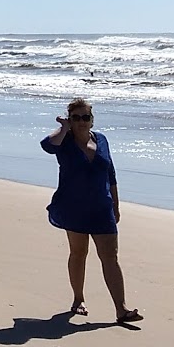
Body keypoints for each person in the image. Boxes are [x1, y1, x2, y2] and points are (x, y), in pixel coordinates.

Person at [41, 98, 142, 324]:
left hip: (101, 207)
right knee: (79, 254)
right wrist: (63, 127)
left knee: (110, 257)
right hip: (74, 206)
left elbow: (111, 174)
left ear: (92, 120)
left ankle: (121, 309)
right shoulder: (63, 142)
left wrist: (116, 204)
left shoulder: (102, 140)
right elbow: (47, 145)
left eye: (85, 117)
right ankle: (78, 300)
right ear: (70, 120)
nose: (81, 122)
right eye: (76, 118)